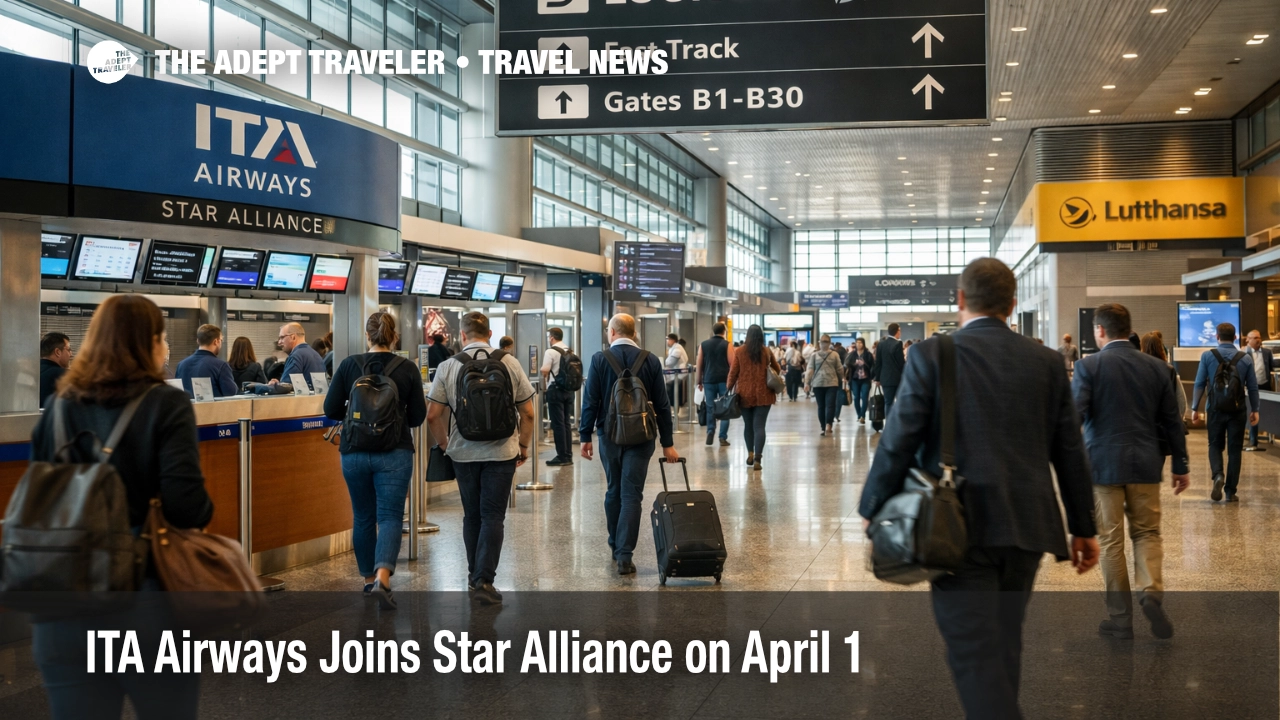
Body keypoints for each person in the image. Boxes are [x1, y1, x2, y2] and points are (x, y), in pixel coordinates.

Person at [859, 258, 1098, 719]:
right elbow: (1070, 450)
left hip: (955, 525)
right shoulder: (1047, 361)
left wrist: (873, 505)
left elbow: (899, 438)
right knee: (1004, 644)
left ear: (961, 299)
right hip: (1027, 528)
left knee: (975, 654)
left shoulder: (934, 354)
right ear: (1012, 305)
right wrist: (1083, 526)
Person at [29, 294, 213, 720]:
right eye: (162, 338)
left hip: (61, 605)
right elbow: (187, 508)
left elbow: (40, 496)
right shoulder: (165, 403)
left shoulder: (58, 405)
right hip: (142, 600)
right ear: (150, 342)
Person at [1073, 304, 1190, 641]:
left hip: (1103, 465)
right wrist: (1180, 466)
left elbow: (1075, 418)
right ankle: (1151, 591)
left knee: (1110, 542)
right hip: (1145, 463)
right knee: (1147, 534)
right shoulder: (1157, 368)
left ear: (1099, 330)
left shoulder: (1088, 366)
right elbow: (1172, 422)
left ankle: (1121, 620)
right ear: (1128, 327)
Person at [427, 312, 535, 605]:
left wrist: (444, 444)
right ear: (489, 333)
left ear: (461, 336)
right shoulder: (509, 362)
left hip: (462, 453)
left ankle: (473, 575)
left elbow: (433, 415)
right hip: (502, 452)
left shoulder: (448, 366)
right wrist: (523, 446)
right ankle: (484, 580)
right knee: (493, 516)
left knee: (471, 515)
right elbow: (528, 412)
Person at [324, 312, 428, 610]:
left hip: (354, 451)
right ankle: (384, 577)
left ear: (367, 336)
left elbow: (331, 409)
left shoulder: (348, 365)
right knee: (390, 516)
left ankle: (369, 580)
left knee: (363, 516)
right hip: (395, 451)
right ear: (394, 336)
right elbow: (418, 417)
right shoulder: (407, 368)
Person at [579, 314, 679, 575]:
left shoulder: (600, 359)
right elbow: (662, 405)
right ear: (633, 333)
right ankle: (625, 555)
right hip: (642, 436)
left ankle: (615, 543)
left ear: (612, 332)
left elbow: (591, 401)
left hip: (609, 435)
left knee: (613, 490)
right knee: (631, 495)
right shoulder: (651, 360)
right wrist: (667, 443)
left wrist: (584, 436)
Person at [1191, 323, 1259, 502]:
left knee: (1214, 445)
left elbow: (1199, 383)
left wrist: (1194, 408)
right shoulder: (1245, 358)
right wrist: (1256, 410)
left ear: (1217, 336)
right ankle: (1230, 491)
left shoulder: (1207, 356)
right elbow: (1252, 388)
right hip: (1238, 410)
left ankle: (1218, 475)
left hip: (1214, 408)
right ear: (1236, 337)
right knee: (1235, 449)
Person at [726, 324, 781, 471]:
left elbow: (733, 373)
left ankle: (750, 453)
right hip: (764, 394)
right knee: (759, 426)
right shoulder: (766, 351)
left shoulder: (740, 351)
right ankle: (758, 458)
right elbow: (778, 369)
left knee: (748, 426)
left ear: (748, 336)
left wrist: (728, 388)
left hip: (744, 394)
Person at [540, 327, 575, 467]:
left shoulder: (551, 351)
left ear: (552, 338)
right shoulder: (569, 350)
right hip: (568, 390)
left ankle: (561, 456)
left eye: (549, 337)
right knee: (566, 423)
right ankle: (568, 454)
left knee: (558, 423)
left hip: (555, 389)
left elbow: (545, 369)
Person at [174, 324, 238, 398]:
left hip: (188, 408)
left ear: (198, 341)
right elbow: (230, 392)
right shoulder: (221, 366)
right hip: (211, 408)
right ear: (216, 341)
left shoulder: (181, 364)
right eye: (221, 340)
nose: (221, 343)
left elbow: (178, 392)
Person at [696, 322, 733, 447]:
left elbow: (699, 364)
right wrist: (732, 381)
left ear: (713, 331)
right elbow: (732, 363)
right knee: (725, 408)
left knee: (710, 407)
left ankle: (710, 431)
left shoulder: (703, 345)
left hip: (709, 380)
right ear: (724, 331)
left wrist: (698, 381)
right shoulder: (727, 345)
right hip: (724, 380)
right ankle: (722, 437)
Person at [804, 334, 844, 437]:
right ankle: (825, 425)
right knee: (825, 405)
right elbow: (810, 370)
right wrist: (807, 382)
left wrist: (843, 378)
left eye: (825, 341)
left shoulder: (832, 355)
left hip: (828, 383)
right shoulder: (817, 355)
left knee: (826, 405)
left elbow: (810, 369)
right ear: (819, 342)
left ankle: (826, 425)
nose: (824, 343)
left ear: (829, 343)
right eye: (823, 341)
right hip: (822, 383)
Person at [270, 322, 325, 390]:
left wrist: (260, 387)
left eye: (282, 337)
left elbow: (284, 388)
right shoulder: (317, 355)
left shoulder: (295, 357)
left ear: (293, 337)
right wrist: (279, 384)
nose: (279, 342)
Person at [1244, 329, 1275, 451]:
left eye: (1259, 337)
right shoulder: (1244, 353)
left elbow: (1272, 367)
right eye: (1255, 338)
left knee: (1261, 412)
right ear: (1248, 340)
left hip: (1264, 386)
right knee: (1251, 412)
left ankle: (1259, 439)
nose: (1258, 340)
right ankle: (1252, 441)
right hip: (1250, 387)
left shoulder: (1267, 352)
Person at [873, 323, 906, 418]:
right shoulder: (898, 343)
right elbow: (901, 363)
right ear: (897, 331)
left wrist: (877, 378)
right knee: (900, 402)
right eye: (900, 330)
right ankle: (899, 424)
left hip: (885, 378)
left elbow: (878, 362)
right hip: (897, 378)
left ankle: (888, 426)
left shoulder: (881, 344)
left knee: (888, 402)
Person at [844, 337, 875, 424]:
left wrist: (864, 363)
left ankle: (863, 416)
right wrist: (854, 364)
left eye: (860, 343)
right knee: (856, 397)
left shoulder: (868, 354)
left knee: (864, 397)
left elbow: (872, 365)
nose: (858, 344)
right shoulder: (852, 354)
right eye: (857, 342)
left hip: (865, 379)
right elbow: (847, 364)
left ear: (863, 344)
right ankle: (859, 415)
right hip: (854, 379)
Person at [38, 331, 72, 409]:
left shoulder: (32, 373)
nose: (71, 354)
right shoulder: (64, 375)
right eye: (68, 349)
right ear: (58, 352)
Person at [664, 332, 689, 410]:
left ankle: (673, 411)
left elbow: (669, 362)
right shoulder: (676, 348)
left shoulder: (677, 349)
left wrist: (666, 361)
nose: (667, 342)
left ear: (672, 340)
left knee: (672, 395)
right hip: (678, 376)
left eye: (668, 340)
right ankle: (674, 410)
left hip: (677, 376)